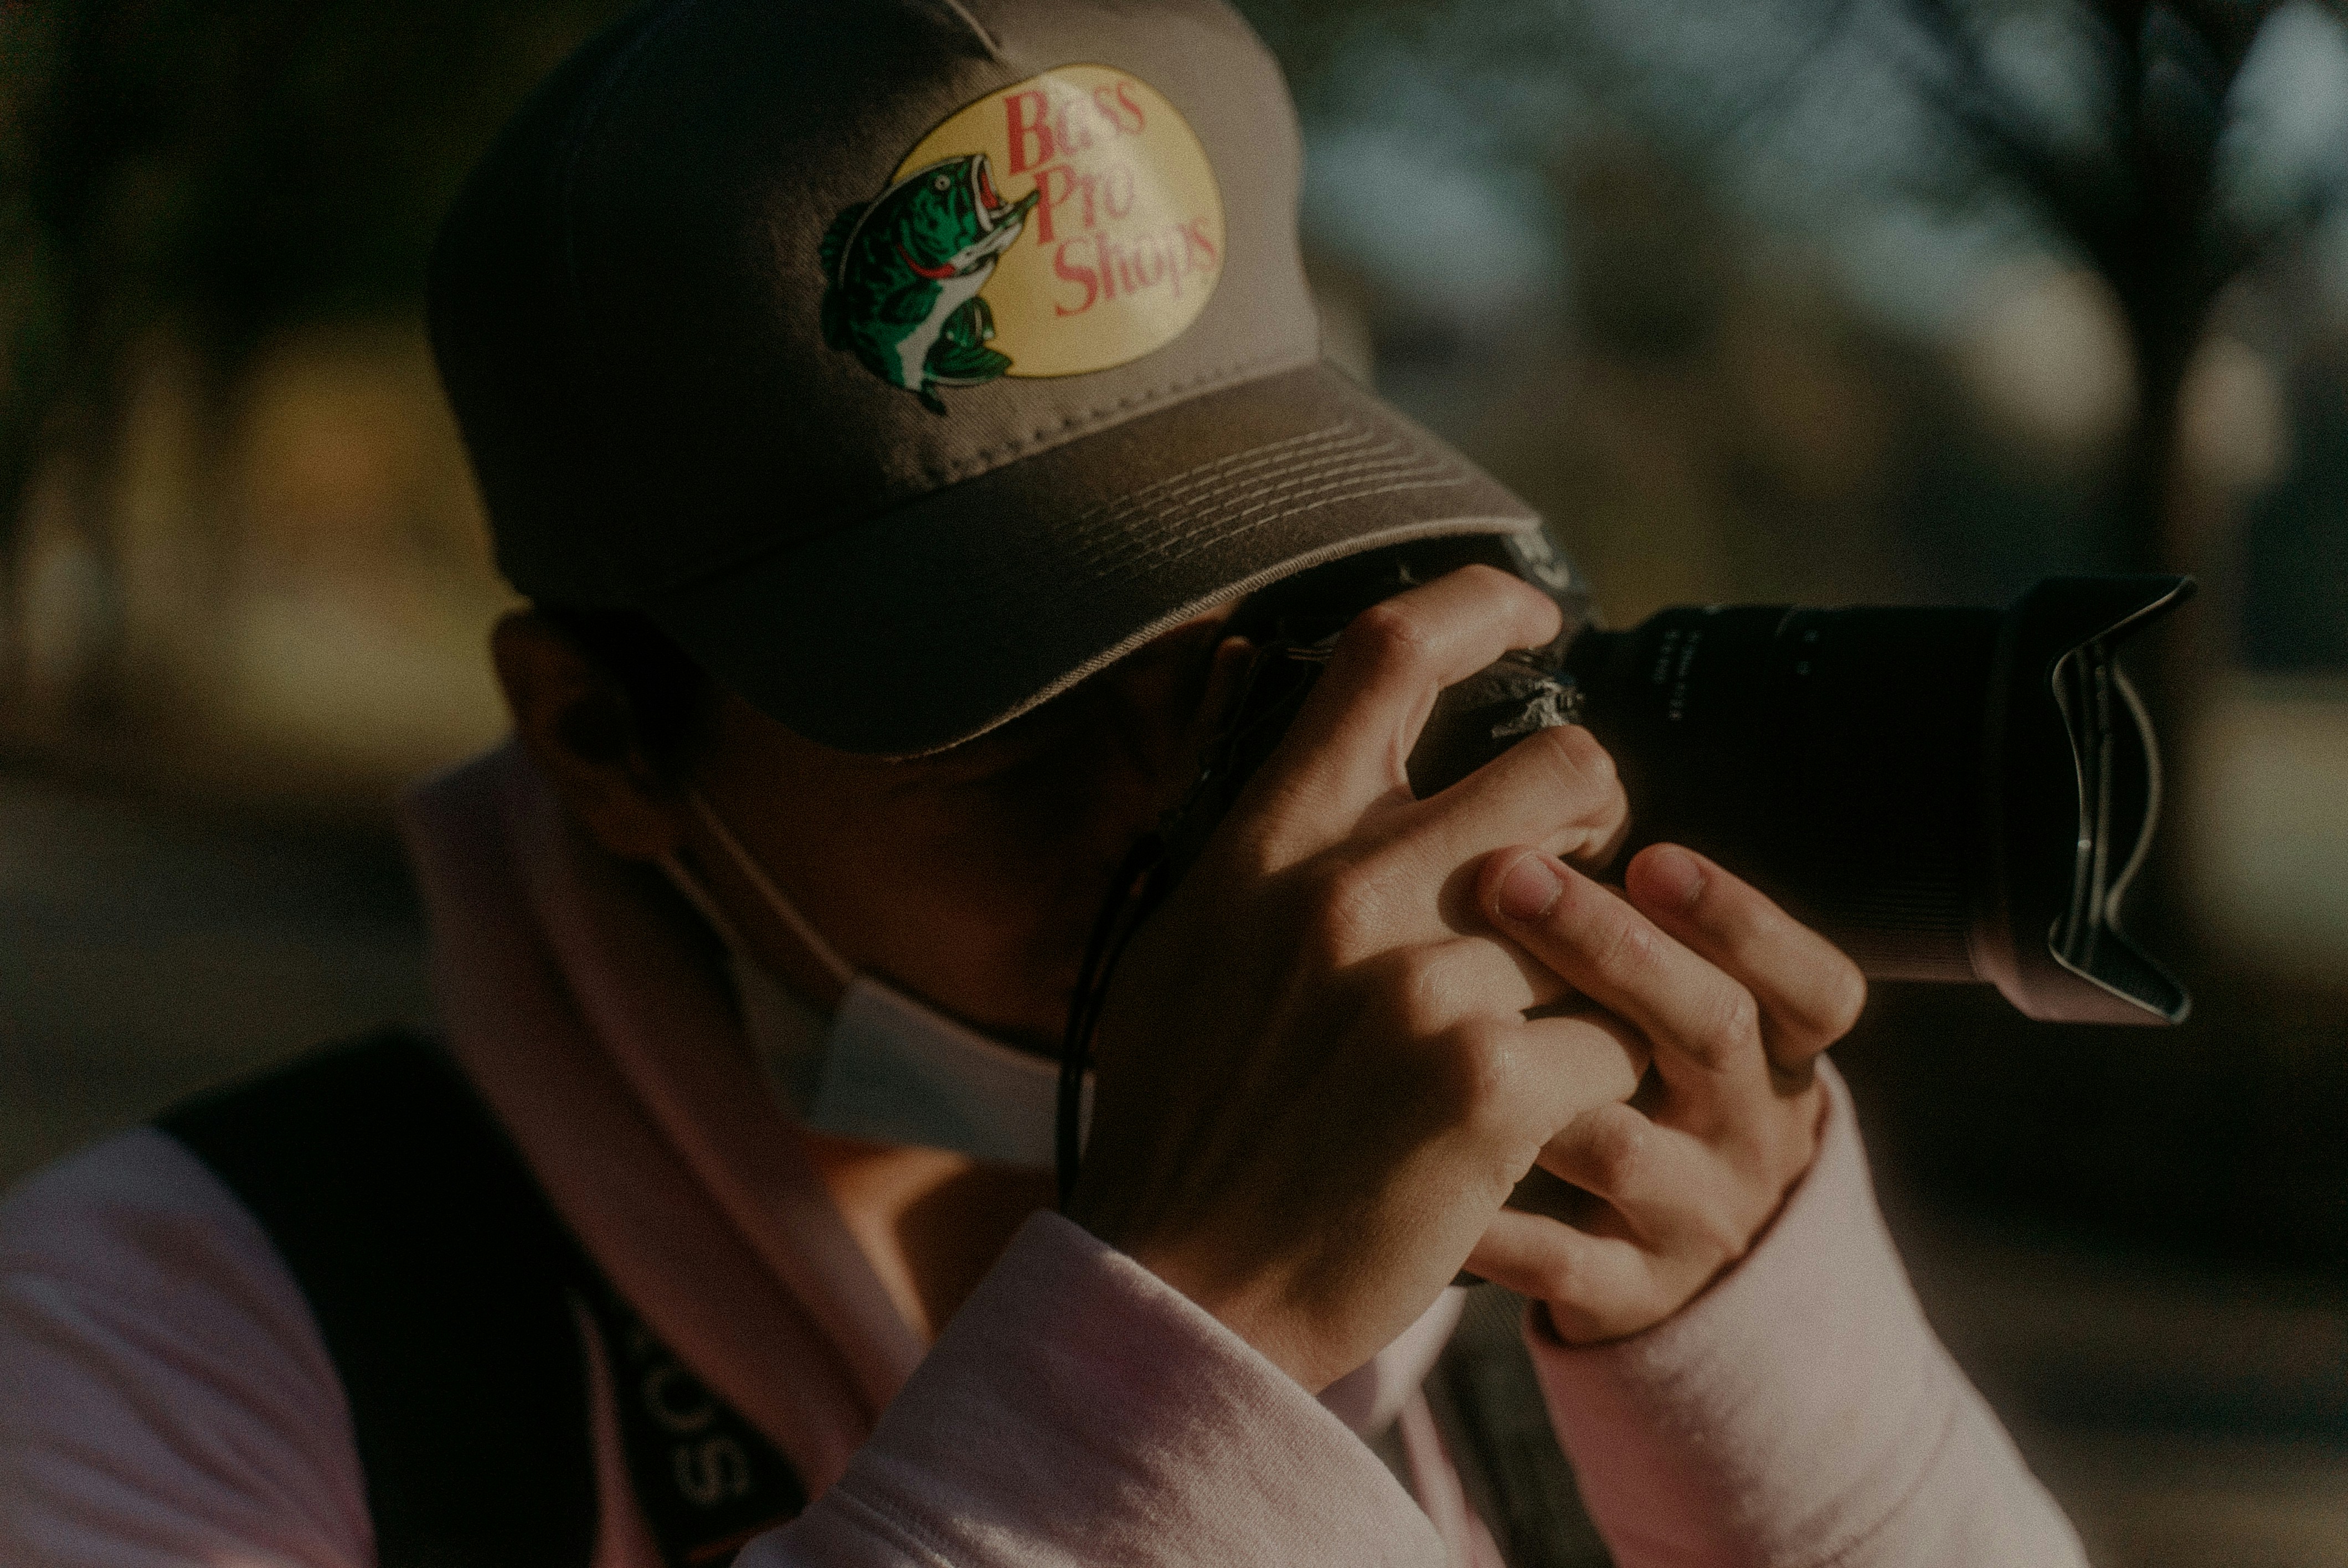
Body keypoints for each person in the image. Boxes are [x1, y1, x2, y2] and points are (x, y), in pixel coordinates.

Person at [0, 0, 2089, 1564]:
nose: (1200, 830)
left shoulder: (1520, 1303)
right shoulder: (161, 1353)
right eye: (1007, 717)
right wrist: (1193, 1363)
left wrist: (1767, 1388)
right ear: (606, 739)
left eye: (1273, 660)